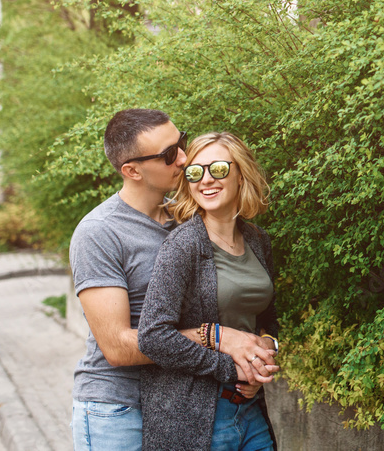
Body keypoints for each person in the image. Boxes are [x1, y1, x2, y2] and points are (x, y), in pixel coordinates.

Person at [69, 110, 278, 451]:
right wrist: (219, 339)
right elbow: (118, 348)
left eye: (180, 144)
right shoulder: (99, 233)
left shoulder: (186, 222)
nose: (183, 159)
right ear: (132, 171)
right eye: (169, 155)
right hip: (116, 407)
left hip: (183, 397)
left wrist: (256, 355)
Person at [138, 131, 280, 451]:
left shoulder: (258, 240)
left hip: (249, 410)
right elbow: (153, 336)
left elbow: (267, 320)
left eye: (217, 169)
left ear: (240, 173)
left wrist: (267, 353)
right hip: (196, 418)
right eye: (195, 172)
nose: (205, 180)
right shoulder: (184, 245)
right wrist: (233, 366)